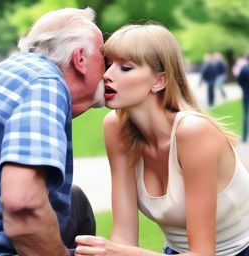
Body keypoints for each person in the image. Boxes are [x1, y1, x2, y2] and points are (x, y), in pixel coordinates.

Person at [75, 24, 249, 256]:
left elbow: (203, 253)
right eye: (108, 65)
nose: (107, 75)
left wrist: (118, 252)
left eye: (125, 67)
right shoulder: (115, 127)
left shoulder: (193, 132)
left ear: (159, 81)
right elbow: (124, 237)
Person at [0, 7, 105, 256]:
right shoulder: (44, 83)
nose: (108, 71)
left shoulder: (7, 73)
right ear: (80, 59)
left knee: (75, 200)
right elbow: (23, 206)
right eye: (104, 57)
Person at [237, 57, 249, 142]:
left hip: (246, 94)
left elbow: (239, 81)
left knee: (245, 115)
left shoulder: (244, 69)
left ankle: (244, 137)